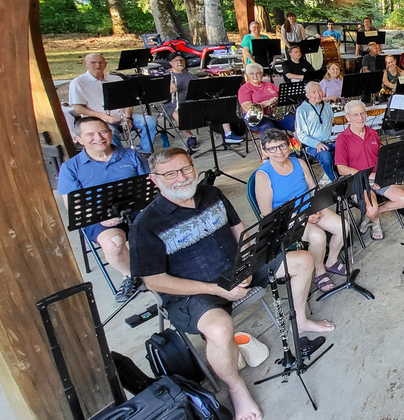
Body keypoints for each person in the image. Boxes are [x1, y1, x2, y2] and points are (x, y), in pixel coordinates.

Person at [130, 148, 334, 420]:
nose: (181, 177)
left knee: (303, 260)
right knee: (219, 326)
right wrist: (217, 289)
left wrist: (249, 263)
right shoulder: (146, 224)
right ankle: (236, 387)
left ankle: (300, 319)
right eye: (170, 173)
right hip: (195, 292)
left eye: (186, 169)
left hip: (237, 269)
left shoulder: (211, 193)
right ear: (155, 180)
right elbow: (154, 280)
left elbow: (240, 230)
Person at [59, 117, 149, 303]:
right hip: (100, 219)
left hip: (137, 211)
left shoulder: (131, 155)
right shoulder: (70, 168)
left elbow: (151, 184)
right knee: (114, 244)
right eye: (90, 134)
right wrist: (101, 217)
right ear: (79, 139)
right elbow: (73, 204)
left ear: (110, 134)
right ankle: (130, 275)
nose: (98, 137)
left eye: (103, 132)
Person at [254, 129, 346, 293]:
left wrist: (316, 208)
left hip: (310, 209)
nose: (279, 151)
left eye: (282, 146)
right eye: (272, 148)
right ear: (265, 151)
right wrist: (301, 216)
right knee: (318, 236)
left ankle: (331, 261)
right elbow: (267, 214)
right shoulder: (263, 175)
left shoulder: (300, 163)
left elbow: (313, 191)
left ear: (289, 145)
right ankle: (319, 272)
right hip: (286, 218)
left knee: (342, 226)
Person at [335, 100, 404, 240]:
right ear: (348, 117)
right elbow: (341, 169)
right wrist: (367, 177)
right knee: (370, 209)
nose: (360, 118)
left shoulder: (373, 133)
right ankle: (375, 220)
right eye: (355, 115)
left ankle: (370, 217)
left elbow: (381, 157)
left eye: (362, 113)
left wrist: (384, 175)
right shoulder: (342, 139)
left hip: (378, 177)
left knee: (403, 199)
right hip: (359, 181)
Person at [69, 53, 158, 155]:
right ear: (85, 64)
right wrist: (103, 117)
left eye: (100, 62)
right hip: (97, 119)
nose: (98, 65)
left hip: (120, 116)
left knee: (149, 121)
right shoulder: (78, 82)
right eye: (93, 63)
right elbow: (78, 108)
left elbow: (128, 101)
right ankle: (119, 156)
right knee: (110, 131)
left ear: (105, 64)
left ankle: (144, 152)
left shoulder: (116, 79)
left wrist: (128, 118)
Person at [295, 82, 338, 181]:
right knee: (326, 157)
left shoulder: (326, 106)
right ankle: (335, 181)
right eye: (314, 92)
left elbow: (330, 124)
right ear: (307, 95)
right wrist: (316, 143)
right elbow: (301, 134)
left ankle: (346, 174)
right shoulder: (302, 110)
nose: (318, 94)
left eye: (319, 91)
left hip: (328, 141)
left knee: (346, 147)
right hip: (312, 145)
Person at [238, 63, 295, 133]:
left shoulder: (270, 85)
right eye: (251, 74)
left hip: (277, 114)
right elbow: (246, 107)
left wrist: (277, 100)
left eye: (258, 73)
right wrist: (265, 104)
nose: (255, 76)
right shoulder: (244, 89)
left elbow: (283, 96)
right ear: (247, 75)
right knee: (269, 129)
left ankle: (303, 142)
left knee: (297, 123)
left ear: (262, 74)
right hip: (257, 117)